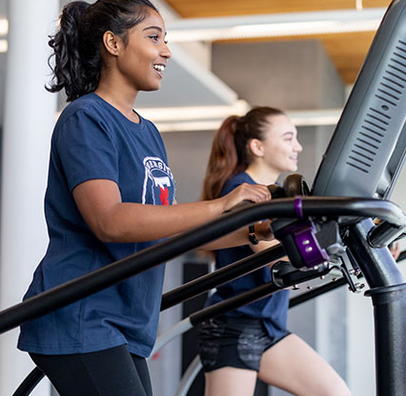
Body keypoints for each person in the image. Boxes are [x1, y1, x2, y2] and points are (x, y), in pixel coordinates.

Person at [16, 2, 272, 396]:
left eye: (165, 40)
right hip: (82, 314)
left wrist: (255, 232)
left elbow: (171, 232)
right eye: (154, 37)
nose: (166, 50)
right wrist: (222, 205)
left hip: (127, 322)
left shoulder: (148, 133)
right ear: (113, 43)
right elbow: (111, 221)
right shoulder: (87, 118)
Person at [196, 107, 353, 396]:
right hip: (234, 326)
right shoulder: (243, 191)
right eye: (288, 138)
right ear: (257, 147)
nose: (298, 146)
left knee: (335, 393)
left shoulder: (279, 194)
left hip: (268, 326)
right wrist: (331, 250)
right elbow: (274, 254)